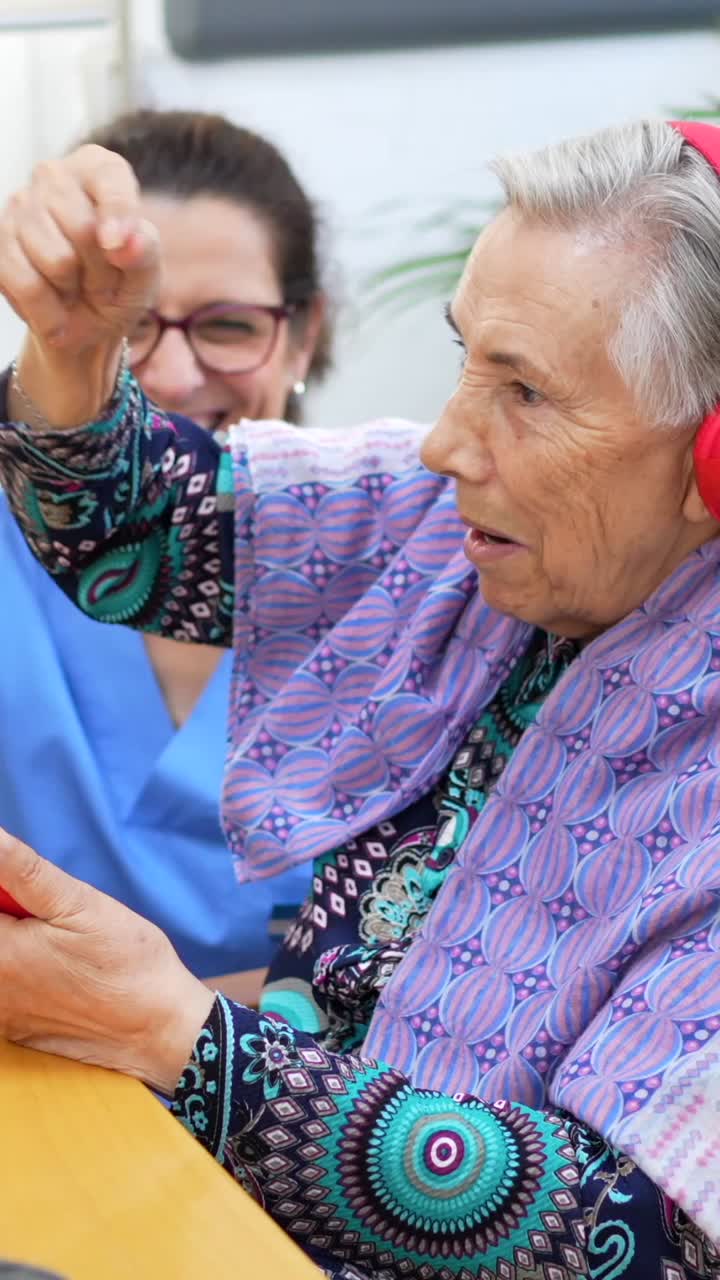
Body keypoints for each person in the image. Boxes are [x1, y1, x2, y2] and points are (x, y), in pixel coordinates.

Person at [0, 117, 719, 1278]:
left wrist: (177, 1034)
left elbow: (633, 1239)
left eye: (525, 390)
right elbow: (135, 532)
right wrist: (75, 350)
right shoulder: (461, 532)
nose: (446, 442)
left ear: (710, 457)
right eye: (465, 359)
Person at [0, 109, 329, 989]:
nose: (175, 381)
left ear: (303, 332)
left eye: (227, 326)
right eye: (126, 322)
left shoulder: (410, 573)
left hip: (320, 1115)